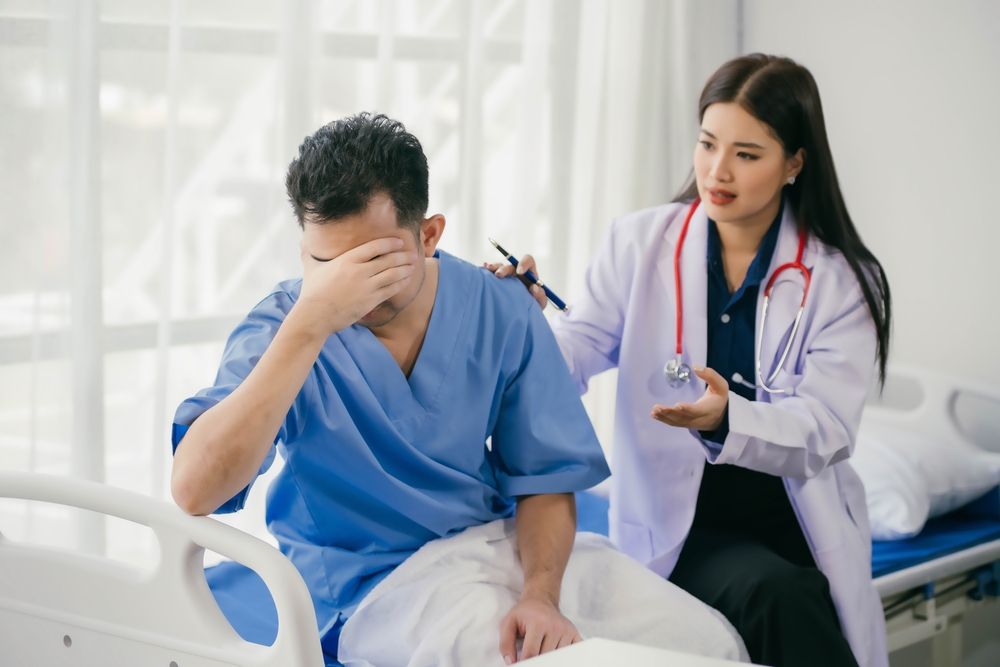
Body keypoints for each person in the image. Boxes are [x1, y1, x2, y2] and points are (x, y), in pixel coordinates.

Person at [170, 114, 746, 667]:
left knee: (705, 643)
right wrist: (310, 322)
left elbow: (546, 476)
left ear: (428, 235)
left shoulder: (499, 306)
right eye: (327, 264)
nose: (349, 288)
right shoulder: (282, 327)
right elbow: (194, 490)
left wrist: (541, 595)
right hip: (377, 584)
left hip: (502, 546)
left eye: (371, 263)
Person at [488, 54, 892, 667]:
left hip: (802, 525)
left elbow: (827, 429)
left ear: (795, 163)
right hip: (683, 525)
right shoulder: (639, 244)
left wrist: (727, 418)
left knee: (792, 588)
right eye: (707, 144)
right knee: (775, 595)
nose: (717, 170)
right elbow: (572, 358)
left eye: (747, 155)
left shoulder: (839, 282)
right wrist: (523, 325)